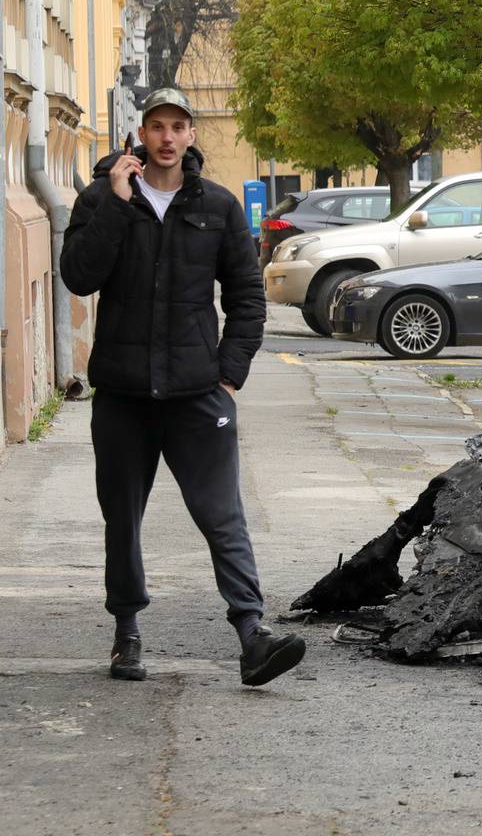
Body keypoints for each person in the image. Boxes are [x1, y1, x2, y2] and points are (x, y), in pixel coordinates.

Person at [59, 88, 305, 686]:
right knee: (123, 518)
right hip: (122, 394)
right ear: (140, 133)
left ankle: (252, 635)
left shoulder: (216, 206)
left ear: (192, 135)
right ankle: (127, 634)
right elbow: (78, 275)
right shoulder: (101, 198)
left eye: (177, 126)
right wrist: (117, 204)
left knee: (223, 516)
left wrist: (228, 377)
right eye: (156, 126)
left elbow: (247, 300)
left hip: (198, 393)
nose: (167, 138)